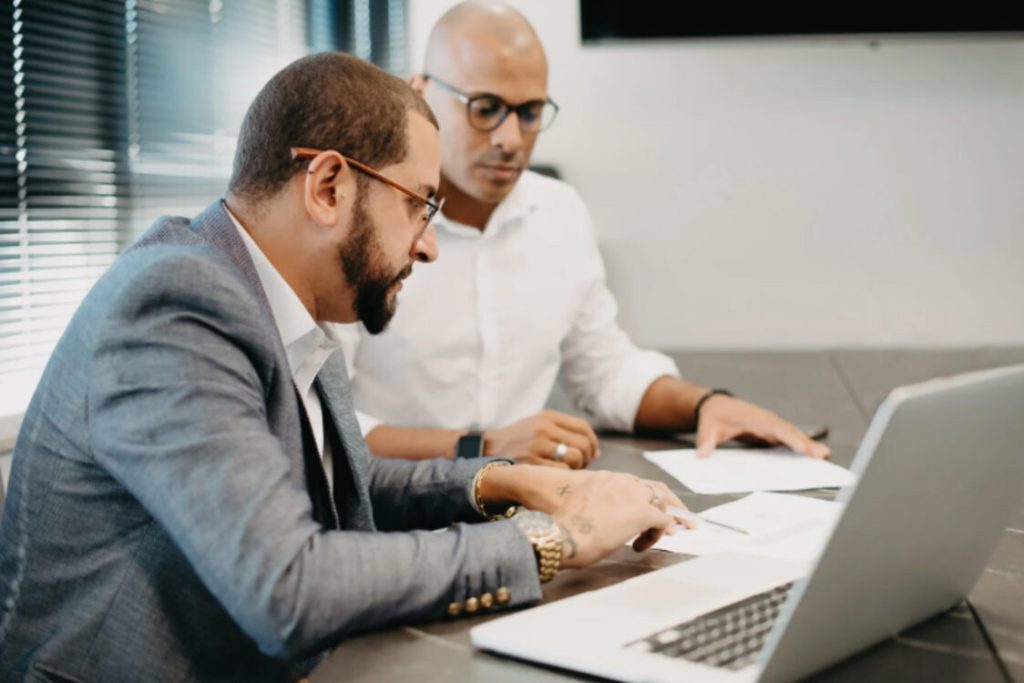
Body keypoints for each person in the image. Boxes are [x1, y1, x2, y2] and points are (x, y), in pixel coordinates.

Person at [0, 53, 686, 683]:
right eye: (420, 204)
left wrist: (503, 481)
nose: (429, 246)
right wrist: (554, 539)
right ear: (328, 185)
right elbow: (288, 586)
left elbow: (342, 480)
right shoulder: (175, 305)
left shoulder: (284, 301)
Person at [339, 1, 831, 470]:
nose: (510, 139)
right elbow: (320, 425)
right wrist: (481, 449)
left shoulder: (559, 212)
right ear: (420, 92)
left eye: (530, 112)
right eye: (485, 108)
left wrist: (708, 405)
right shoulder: (362, 224)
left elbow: (605, 372)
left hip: (520, 499)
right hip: (383, 508)